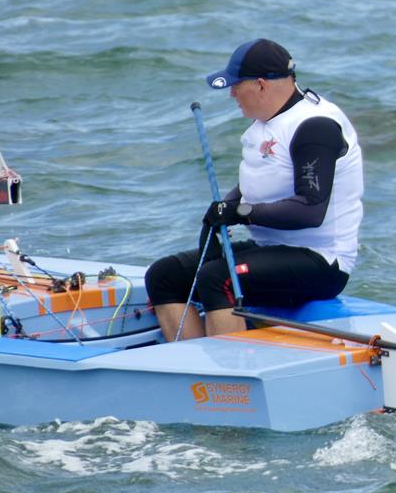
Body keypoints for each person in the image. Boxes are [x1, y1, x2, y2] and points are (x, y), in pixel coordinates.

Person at [145, 39, 364, 341]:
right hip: (272, 250)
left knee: (218, 278)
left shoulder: (316, 127)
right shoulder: (265, 122)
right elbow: (259, 182)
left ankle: (227, 381)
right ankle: (192, 364)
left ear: (261, 85)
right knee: (164, 275)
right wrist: (221, 213)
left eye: (236, 85)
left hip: (320, 261)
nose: (232, 93)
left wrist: (240, 213)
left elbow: (310, 211)